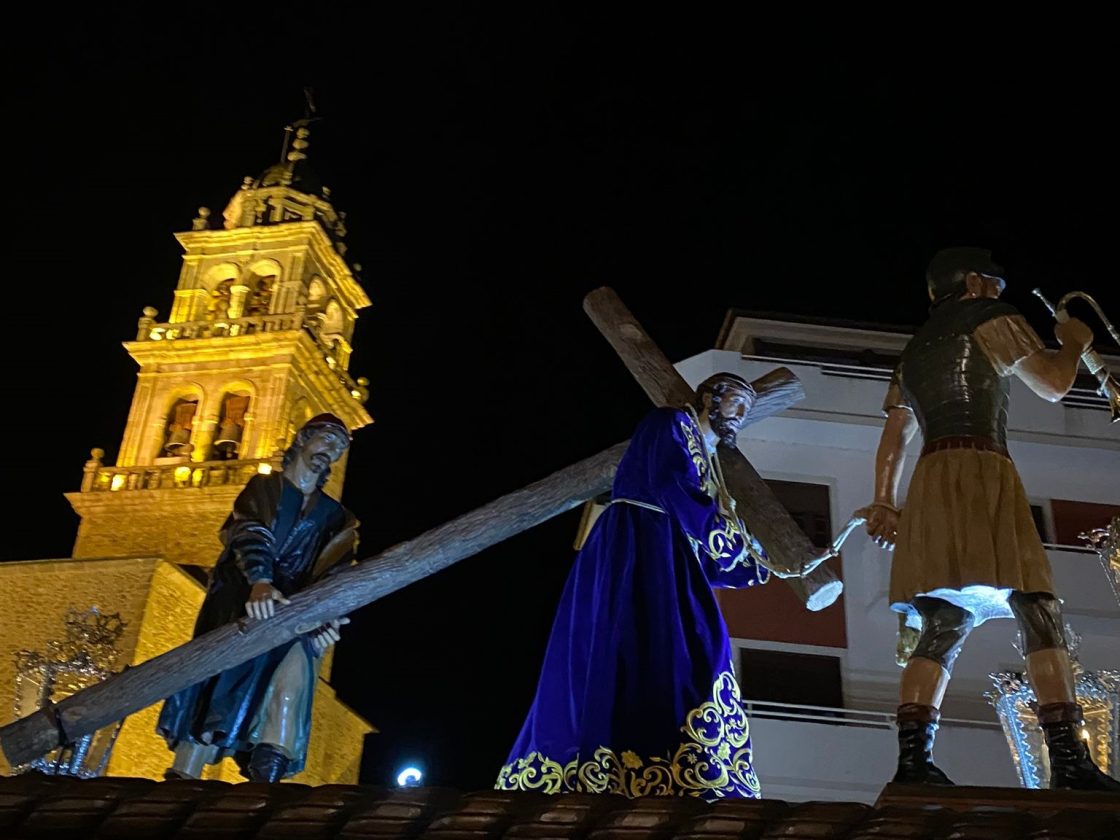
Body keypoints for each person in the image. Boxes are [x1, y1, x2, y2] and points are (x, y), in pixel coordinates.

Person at [860, 247, 1118, 790]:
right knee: (1038, 609)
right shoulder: (989, 317)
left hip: (930, 480)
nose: (1001, 294)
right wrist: (1073, 344)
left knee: (943, 623)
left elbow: (894, 437)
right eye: (997, 284)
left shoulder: (915, 349)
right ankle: (1069, 760)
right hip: (983, 467)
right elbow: (1052, 383)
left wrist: (884, 502)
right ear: (975, 281)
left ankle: (912, 764)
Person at [497, 373, 794, 800]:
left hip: (667, 554)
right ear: (709, 396)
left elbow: (701, 535)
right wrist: (742, 547)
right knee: (641, 646)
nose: (742, 414)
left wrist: (751, 563)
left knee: (693, 649)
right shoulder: (669, 423)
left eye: (747, 408)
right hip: (638, 544)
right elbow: (673, 487)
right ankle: (617, 764)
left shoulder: (707, 456)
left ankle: (680, 763)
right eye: (736, 402)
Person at [157, 413, 358, 782]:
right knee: (217, 688)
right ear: (301, 439)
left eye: (339, 447)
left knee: (292, 683)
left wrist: (328, 617)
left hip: (296, 612)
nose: (330, 451)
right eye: (326, 440)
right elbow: (250, 531)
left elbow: (337, 570)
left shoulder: (337, 517)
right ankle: (183, 778)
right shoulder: (262, 488)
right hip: (241, 600)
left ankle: (266, 786)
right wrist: (260, 580)